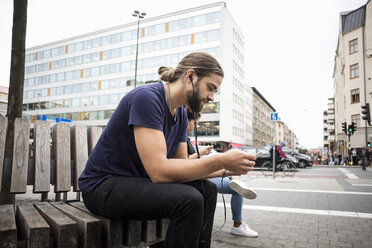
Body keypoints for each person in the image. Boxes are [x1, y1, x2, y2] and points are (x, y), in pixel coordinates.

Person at [78, 52, 257, 248]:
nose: (212, 97)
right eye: (211, 88)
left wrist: (227, 170)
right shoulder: (147, 98)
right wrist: (221, 161)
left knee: (208, 189)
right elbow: (159, 172)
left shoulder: (180, 112)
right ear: (190, 77)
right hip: (102, 187)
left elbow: (182, 167)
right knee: (189, 200)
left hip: (135, 183)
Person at [186, 108, 258, 238]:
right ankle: (237, 225)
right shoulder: (179, 138)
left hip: (199, 175)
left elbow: (192, 161)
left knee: (235, 184)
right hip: (194, 177)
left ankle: (233, 178)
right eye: (195, 123)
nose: (195, 127)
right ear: (186, 120)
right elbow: (183, 163)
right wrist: (220, 167)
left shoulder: (186, 139)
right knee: (231, 182)